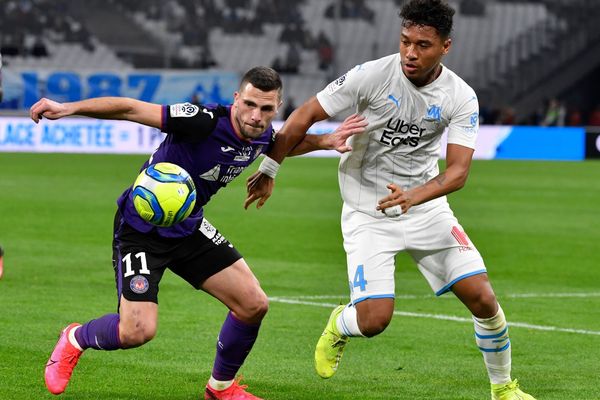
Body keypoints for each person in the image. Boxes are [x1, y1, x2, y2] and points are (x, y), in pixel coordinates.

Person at [244, 1, 537, 399]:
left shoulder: (460, 96)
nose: (411, 53)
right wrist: (271, 169)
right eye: (405, 42)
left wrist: (414, 197)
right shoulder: (371, 75)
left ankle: (504, 390)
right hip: (368, 211)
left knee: (484, 299)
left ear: (445, 47)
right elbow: (303, 116)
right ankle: (339, 324)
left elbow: (457, 173)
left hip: (426, 207)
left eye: (423, 44)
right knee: (374, 320)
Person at [30, 66, 284, 400]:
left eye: (266, 109)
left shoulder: (263, 135)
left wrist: (326, 140)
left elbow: (288, 141)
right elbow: (131, 108)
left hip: (189, 227)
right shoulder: (202, 121)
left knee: (253, 304)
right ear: (236, 98)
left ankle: (220, 390)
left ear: (277, 107)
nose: (255, 116)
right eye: (249, 104)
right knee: (137, 331)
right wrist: (68, 107)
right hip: (141, 231)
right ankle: (75, 337)